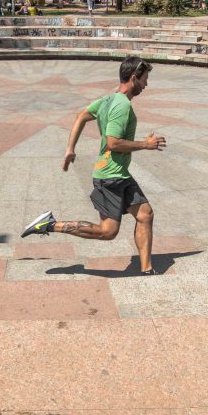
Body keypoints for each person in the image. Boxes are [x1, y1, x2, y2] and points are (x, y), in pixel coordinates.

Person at [20, 56, 167, 275]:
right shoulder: (122, 106)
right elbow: (113, 142)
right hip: (110, 177)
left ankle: (147, 270)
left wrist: (70, 149)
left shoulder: (107, 100)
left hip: (119, 174)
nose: (146, 85)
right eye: (145, 80)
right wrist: (145, 145)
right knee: (108, 232)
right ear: (134, 78)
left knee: (145, 214)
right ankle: (50, 224)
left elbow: (80, 116)